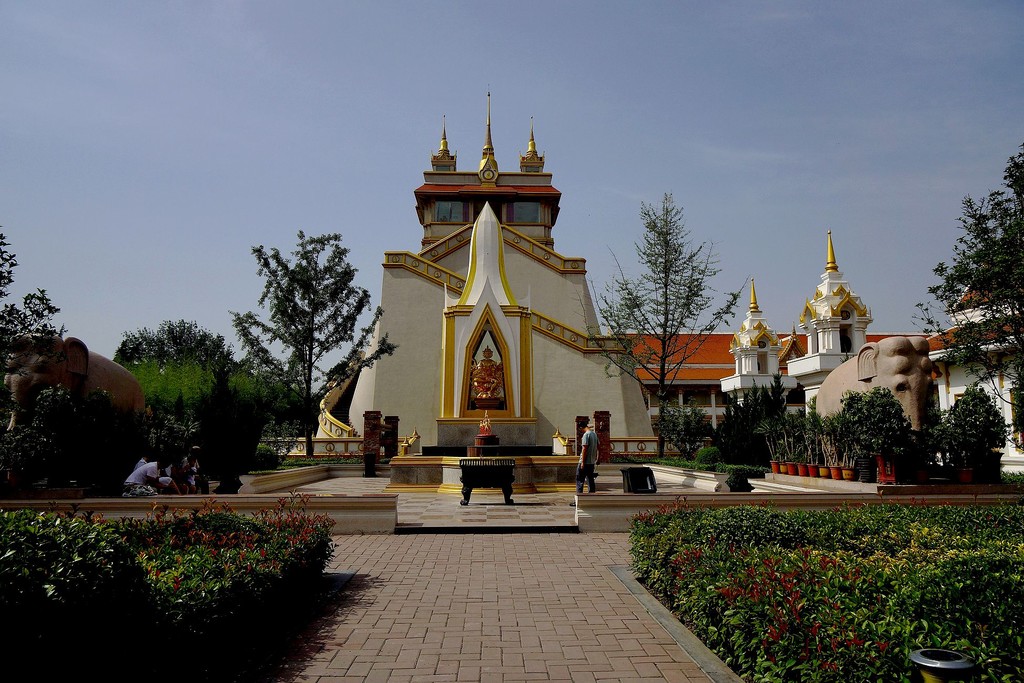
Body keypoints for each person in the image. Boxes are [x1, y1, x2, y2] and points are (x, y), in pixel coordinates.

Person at [574, 421, 599, 502]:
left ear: (581, 427)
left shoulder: (586, 435)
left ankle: (579, 499)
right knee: (590, 480)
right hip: (591, 462)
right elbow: (599, 447)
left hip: (585, 462)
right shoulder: (594, 434)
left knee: (580, 480)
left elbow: (584, 448)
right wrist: (598, 458)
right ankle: (592, 498)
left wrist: (582, 462)